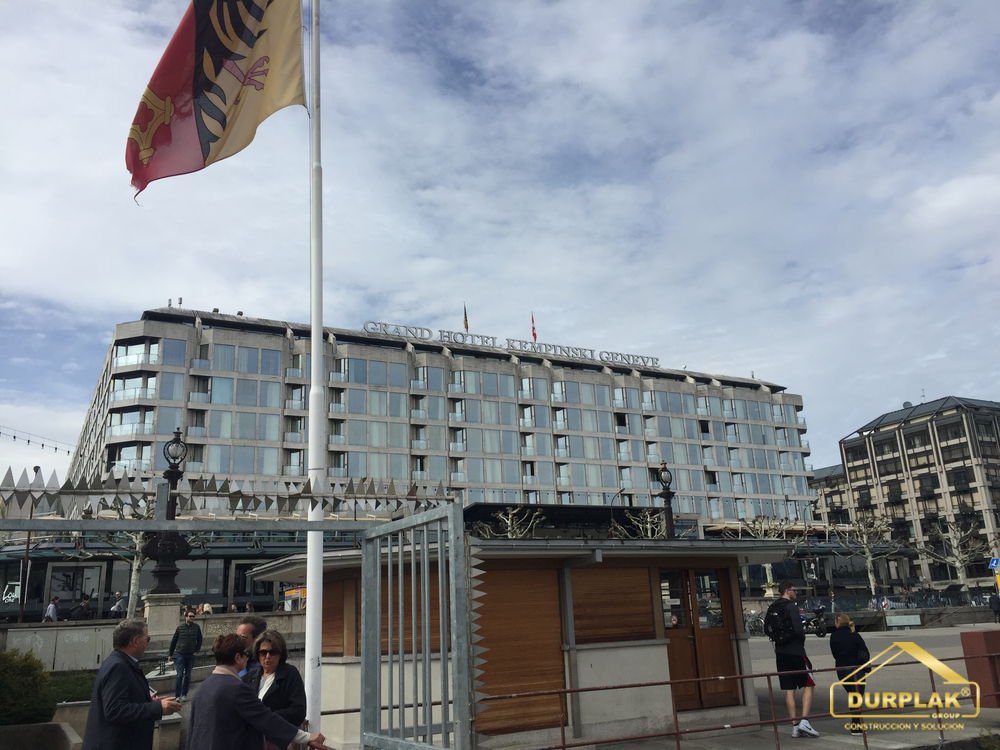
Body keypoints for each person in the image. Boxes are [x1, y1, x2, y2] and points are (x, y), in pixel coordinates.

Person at [186, 633, 329, 750]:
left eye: (273, 652)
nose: (267, 656)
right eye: (247, 654)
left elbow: (192, 732)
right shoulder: (236, 688)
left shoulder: (203, 687)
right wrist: (307, 737)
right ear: (238, 658)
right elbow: (265, 717)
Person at [82, 619, 181, 750]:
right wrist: (157, 708)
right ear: (135, 641)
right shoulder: (118, 667)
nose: (148, 643)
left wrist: (149, 701)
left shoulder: (120, 662)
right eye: (147, 639)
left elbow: (123, 700)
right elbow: (114, 710)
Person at [772, 581, 820, 738]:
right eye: (794, 590)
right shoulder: (791, 606)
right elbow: (799, 630)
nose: (796, 592)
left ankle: (794, 726)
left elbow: (767, 628)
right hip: (795, 651)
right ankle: (804, 721)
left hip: (780, 652)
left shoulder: (773, 607)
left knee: (789, 689)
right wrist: (799, 641)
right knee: (809, 683)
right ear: (787, 591)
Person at [243, 630, 306, 731]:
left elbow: (298, 711)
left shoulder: (290, 674)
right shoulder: (250, 677)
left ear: (280, 654)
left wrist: (267, 717)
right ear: (257, 654)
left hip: (277, 734)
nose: (267, 657)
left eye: (273, 652)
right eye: (263, 653)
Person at [829, 613, 870, 735]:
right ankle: (856, 725)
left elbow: (834, 653)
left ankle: (856, 723)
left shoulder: (833, 636)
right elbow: (864, 651)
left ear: (837, 622)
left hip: (842, 669)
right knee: (857, 696)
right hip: (856, 668)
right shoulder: (855, 635)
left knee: (852, 694)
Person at [168, 609, 203, 701]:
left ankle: (184, 694)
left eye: (193, 616)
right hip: (180, 654)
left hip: (190, 655)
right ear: (186, 617)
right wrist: (170, 654)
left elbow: (200, 639)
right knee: (179, 675)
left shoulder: (196, 627)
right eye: (190, 616)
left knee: (188, 675)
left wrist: (197, 650)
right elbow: (174, 641)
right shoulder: (180, 627)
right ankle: (177, 695)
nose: (192, 618)